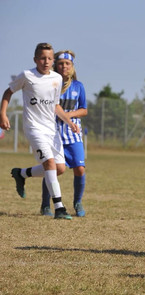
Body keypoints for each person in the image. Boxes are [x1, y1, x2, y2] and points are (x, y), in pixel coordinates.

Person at [0, 42, 79, 220]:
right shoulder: (27, 76)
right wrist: (2, 114)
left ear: (53, 61)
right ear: (35, 59)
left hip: (51, 129)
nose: (46, 61)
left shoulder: (57, 79)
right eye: (42, 58)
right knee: (49, 164)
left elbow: (55, 105)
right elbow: (8, 92)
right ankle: (59, 207)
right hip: (34, 128)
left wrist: (69, 121)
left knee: (59, 168)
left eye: (50, 58)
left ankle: (21, 174)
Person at [39, 50, 88, 217]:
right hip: (53, 134)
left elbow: (84, 110)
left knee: (80, 169)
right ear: (55, 66)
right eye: (60, 63)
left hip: (73, 134)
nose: (64, 66)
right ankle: (46, 204)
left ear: (72, 67)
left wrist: (69, 116)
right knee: (53, 170)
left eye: (67, 64)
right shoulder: (50, 84)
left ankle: (77, 202)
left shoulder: (78, 86)